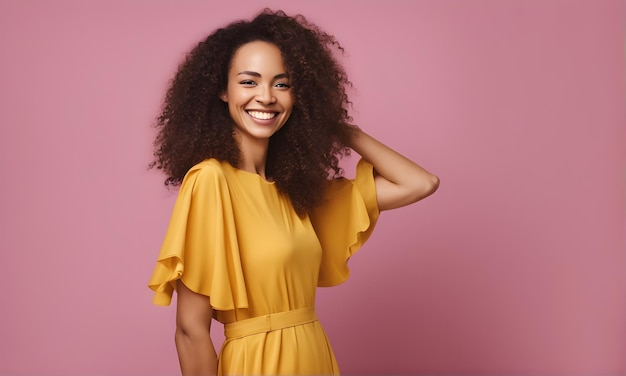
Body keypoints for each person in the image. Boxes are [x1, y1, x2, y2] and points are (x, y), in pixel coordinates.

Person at [148, 8, 439, 376]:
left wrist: (338, 127)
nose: (267, 97)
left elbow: (420, 183)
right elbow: (190, 331)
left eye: (282, 84)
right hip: (258, 365)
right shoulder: (210, 182)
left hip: (314, 357)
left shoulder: (297, 193)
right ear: (222, 90)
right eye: (249, 82)